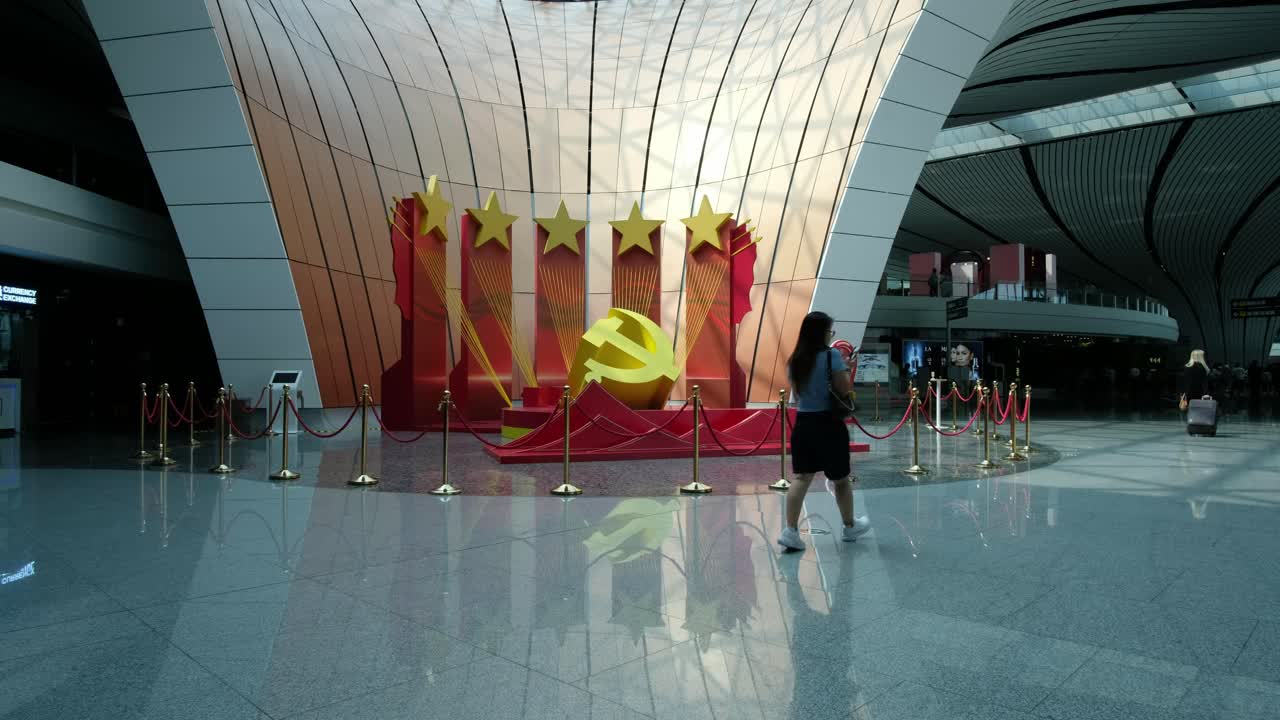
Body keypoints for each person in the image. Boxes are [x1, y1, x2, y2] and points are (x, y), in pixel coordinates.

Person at [778, 311, 869, 551]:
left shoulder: (794, 360)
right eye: (830, 331)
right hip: (829, 424)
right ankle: (850, 527)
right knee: (840, 479)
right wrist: (844, 370)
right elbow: (842, 389)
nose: (832, 335)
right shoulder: (832, 357)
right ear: (822, 333)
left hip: (804, 424)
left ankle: (790, 531)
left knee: (801, 478)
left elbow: (798, 395)